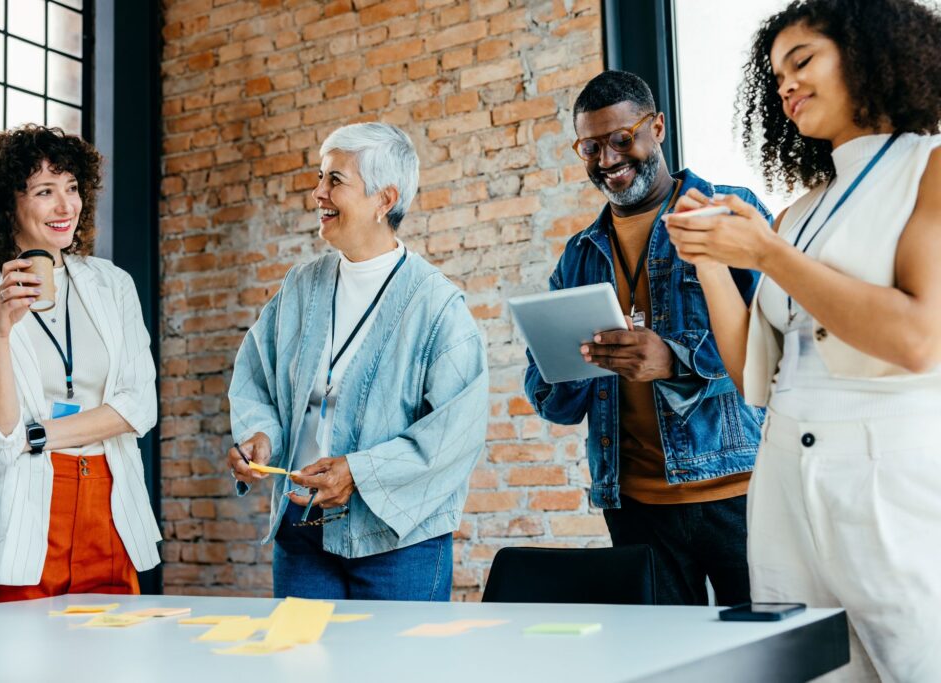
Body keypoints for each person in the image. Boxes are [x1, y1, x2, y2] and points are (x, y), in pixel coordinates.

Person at [664, 0, 941, 678]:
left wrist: (767, 254)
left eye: (802, 60)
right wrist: (709, 262)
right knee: (808, 671)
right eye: (775, 75)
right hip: (783, 473)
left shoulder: (927, 168)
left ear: (872, 54)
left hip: (887, 476)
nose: (785, 85)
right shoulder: (798, 211)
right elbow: (756, 377)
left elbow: (918, 339)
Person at [524, 71, 770, 606]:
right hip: (633, 504)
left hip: (741, 490)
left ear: (657, 127)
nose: (608, 159)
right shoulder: (579, 254)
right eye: (590, 147)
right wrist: (568, 365)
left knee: (768, 658)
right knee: (665, 662)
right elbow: (553, 403)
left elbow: (774, 345)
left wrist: (675, 361)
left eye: (622, 138)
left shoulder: (727, 210)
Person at [227, 122, 488, 601]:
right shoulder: (300, 286)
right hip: (302, 531)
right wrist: (260, 438)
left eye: (335, 180)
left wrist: (361, 472)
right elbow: (255, 379)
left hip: (396, 543)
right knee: (304, 670)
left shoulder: (437, 306)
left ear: (383, 200)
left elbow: (457, 432)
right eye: (319, 177)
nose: (317, 193)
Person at [0, 125, 161, 606]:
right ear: (6, 205)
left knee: (110, 666)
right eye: (45, 192)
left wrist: (30, 436)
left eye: (72, 188)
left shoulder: (113, 284)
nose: (67, 207)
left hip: (107, 502)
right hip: (15, 508)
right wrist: (0, 331)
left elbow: (139, 406)